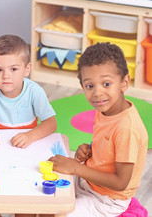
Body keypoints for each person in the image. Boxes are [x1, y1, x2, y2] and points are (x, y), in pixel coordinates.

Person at [49, 42, 148, 216]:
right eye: (90, 86)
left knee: (59, 213)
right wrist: (88, 150)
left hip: (107, 199)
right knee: (45, 194)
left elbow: (121, 182)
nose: (97, 93)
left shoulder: (127, 128)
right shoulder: (105, 110)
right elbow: (106, 145)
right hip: (87, 184)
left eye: (106, 84)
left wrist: (75, 168)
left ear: (124, 82)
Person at [0, 35, 57, 151]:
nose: (6, 76)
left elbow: (51, 123)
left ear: (26, 69)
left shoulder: (34, 91)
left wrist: (30, 136)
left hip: (26, 146)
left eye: (13, 69)